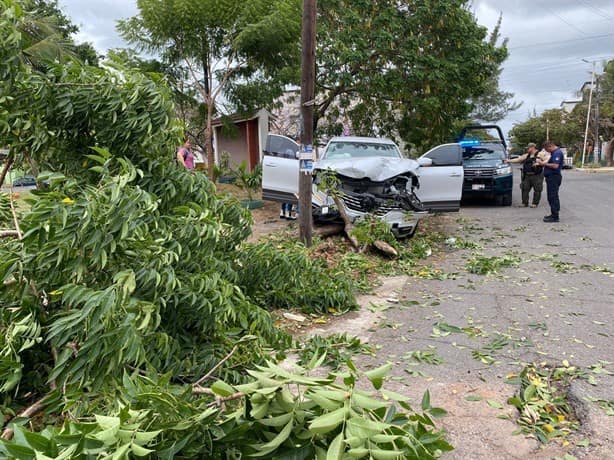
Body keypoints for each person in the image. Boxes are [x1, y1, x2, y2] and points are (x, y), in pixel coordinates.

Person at [505, 142, 548, 207]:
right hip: (527, 175)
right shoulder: (527, 155)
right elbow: (518, 159)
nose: (527, 149)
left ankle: (535, 203)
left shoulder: (540, 154)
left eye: (528, 148)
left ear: (532, 147)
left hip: (537, 175)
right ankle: (524, 203)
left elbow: (547, 160)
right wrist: (508, 161)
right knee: (524, 189)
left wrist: (540, 163)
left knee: (537, 189)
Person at [536, 140, 564, 222]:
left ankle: (555, 216)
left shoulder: (557, 153)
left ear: (550, 146)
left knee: (553, 196)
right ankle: (553, 214)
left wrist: (542, 164)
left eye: (547, 149)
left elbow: (555, 165)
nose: (547, 151)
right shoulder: (554, 153)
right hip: (551, 177)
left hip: (554, 177)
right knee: (551, 196)